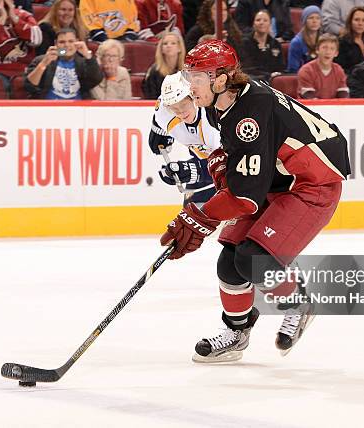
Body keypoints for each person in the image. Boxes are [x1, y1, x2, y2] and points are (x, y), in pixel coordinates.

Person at [161, 39, 350, 362]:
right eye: (189, 73)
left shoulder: (250, 113)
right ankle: (236, 332)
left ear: (221, 79)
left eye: (198, 76)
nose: (189, 84)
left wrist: (199, 217)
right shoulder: (223, 100)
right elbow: (242, 166)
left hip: (311, 185)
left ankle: (299, 302)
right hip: (278, 179)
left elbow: (245, 197)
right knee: (229, 265)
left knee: (252, 260)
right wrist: (222, 164)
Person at [148, 71, 220, 206]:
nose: (180, 112)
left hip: (238, 172)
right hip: (203, 160)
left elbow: (231, 163)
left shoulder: (213, 119)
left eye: (184, 104)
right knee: (190, 218)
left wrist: (194, 170)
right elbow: (160, 116)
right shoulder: (165, 112)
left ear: (194, 97)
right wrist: (158, 132)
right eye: (174, 109)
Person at [24, 28, 103, 99]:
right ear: (56, 44)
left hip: (78, 109)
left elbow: (96, 80)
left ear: (77, 42)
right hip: (48, 108)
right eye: (62, 42)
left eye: (71, 41)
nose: (67, 45)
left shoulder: (84, 62)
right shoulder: (41, 60)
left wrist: (88, 55)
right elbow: (29, 86)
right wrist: (44, 63)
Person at [297, 33, 348, 99]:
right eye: (324, 48)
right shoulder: (306, 70)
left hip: (333, 108)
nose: (328, 52)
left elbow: (343, 94)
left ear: (336, 53)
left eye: (332, 49)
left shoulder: (339, 70)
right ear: (317, 50)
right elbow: (309, 96)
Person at [241, 9, 285, 82]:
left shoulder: (276, 44)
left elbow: (281, 67)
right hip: (253, 80)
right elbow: (247, 68)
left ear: (270, 24)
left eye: (265, 20)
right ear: (253, 24)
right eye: (258, 20)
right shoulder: (245, 43)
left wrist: (277, 75)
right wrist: (268, 75)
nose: (261, 23)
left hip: (273, 80)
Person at [142, 31, 186, 99]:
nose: (168, 46)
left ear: (179, 48)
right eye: (165, 44)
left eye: (173, 43)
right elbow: (150, 96)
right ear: (161, 49)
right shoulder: (154, 71)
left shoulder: (187, 71)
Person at [335, 6, 364, 74]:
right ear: (350, 22)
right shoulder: (342, 43)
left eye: (363, 20)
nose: (360, 23)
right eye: (357, 20)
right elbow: (339, 69)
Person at [287, 5, 321, 73]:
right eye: (311, 18)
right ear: (304, 21)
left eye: (318, 18)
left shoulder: (323, 40)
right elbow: (293, 69)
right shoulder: (296, 42)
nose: (314, 21)